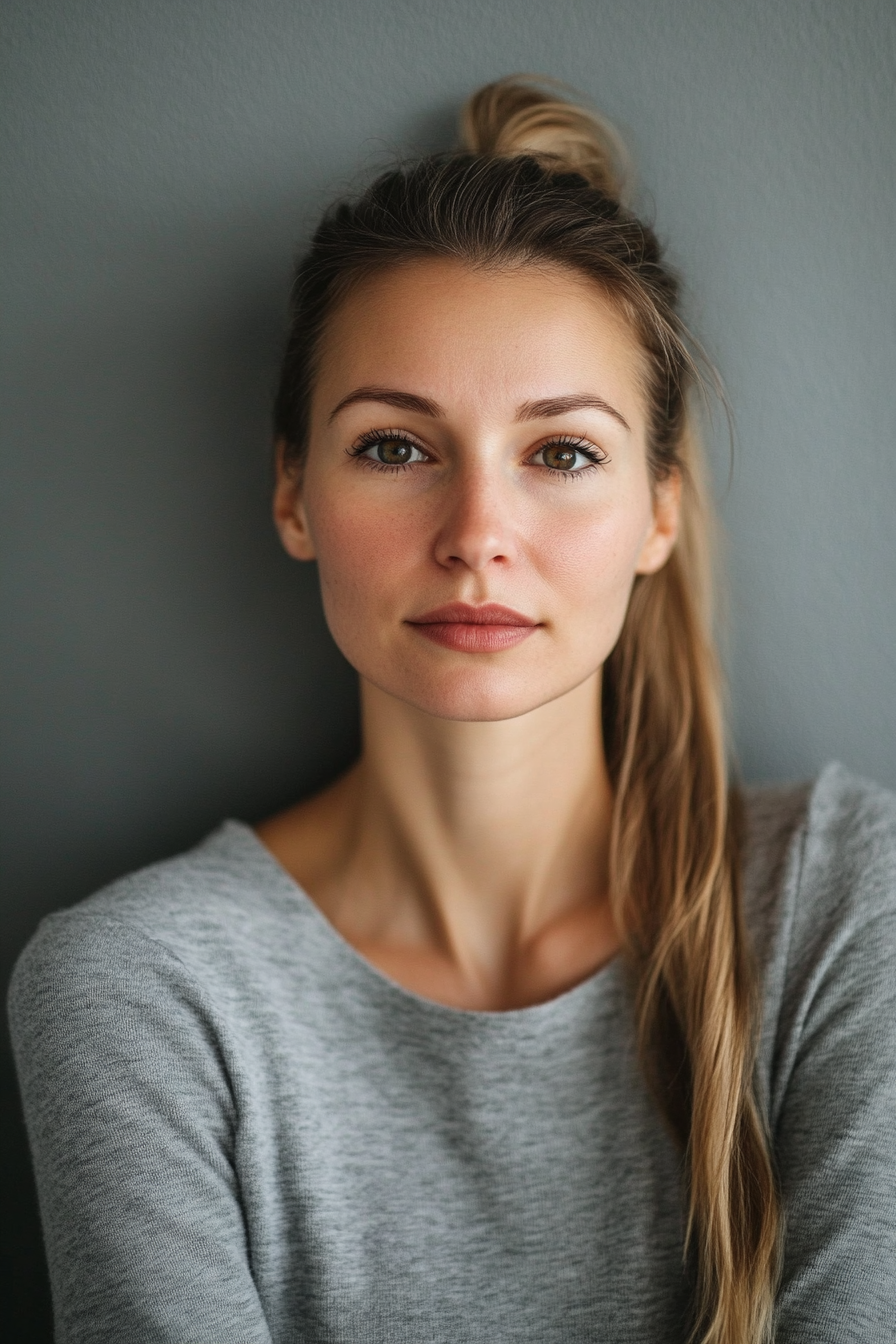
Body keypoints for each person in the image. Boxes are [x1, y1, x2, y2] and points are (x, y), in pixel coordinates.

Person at [8, 77, 896, 1344]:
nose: (479, 537)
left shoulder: (846, 904)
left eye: (561, 453)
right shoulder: (145, 992)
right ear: (294, 495)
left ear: (657, 510)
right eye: (393, 446)